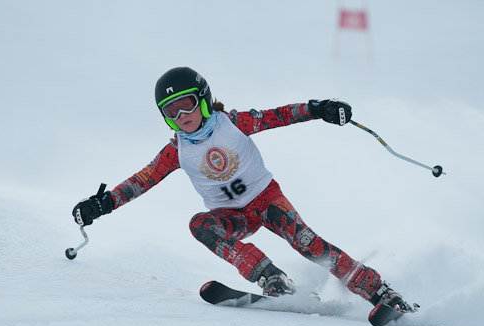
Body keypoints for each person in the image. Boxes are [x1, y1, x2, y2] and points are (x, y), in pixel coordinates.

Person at [72, 66, 411, 309]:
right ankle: (271, 277)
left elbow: (279, 115)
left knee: (308, 244)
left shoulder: (232, 123)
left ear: (203, 100)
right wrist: (103, 204)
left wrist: (319, 109)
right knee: (200, 225)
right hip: (231, 215)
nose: (182, 115)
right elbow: (142, 180)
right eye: (171, 111)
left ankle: (379, 292)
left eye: (187, 104)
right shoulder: (177, 150)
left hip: (266, 200)